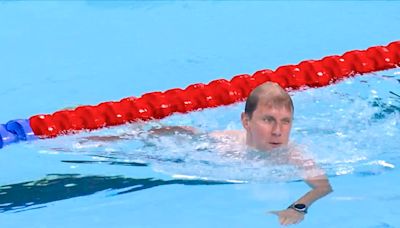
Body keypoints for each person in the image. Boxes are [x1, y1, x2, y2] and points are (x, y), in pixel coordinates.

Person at [81, 82, 332, 226]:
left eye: (286, 122)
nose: (278, 131)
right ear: (246, 121)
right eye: (268, 120)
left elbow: (322, 187)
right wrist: (111, 136)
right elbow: (179, 132)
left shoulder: (293, 155)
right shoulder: (224, 144)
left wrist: (298, 208)